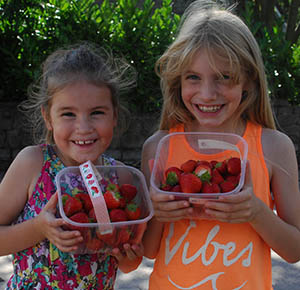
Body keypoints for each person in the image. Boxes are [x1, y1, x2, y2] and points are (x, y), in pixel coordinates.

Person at [141, 1, 300, 289]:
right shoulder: (158, 148)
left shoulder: (274, 147)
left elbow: (294, 249)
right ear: (178, 80)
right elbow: (149, 250)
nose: (207, 93)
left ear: (249, 80)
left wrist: (256, 212)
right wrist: (159, 215)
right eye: (193, 77)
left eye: (224, 77)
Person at [0, 42, 143, 289]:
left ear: (114, 115)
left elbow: (128, 263)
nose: (84, 127)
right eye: (68, 114)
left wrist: (130, 257)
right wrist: (38, 229)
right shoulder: (32, 164)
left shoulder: (122, 177)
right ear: (48, 117)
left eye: (97, 112)